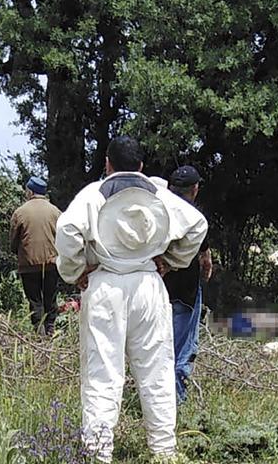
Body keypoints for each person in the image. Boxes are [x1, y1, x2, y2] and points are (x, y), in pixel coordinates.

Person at [55, 136, 208, 462]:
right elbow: (197, 224)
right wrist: (172, 260)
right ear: (141, 165)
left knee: (103, 374)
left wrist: (75, 270)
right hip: (148, 284)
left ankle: (98, 454)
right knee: (157, 372)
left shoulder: (93, 194)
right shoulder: (159, 194)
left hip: (105, 283)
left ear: (107, 163)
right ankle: (164, 451)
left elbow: (67, 229)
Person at [165, 166, 213, 403]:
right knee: (182, 349)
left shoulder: (157, 210)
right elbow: (206, 260)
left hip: (155, 291)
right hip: (184, 293)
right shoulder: (195, 218)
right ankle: (175, 400)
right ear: (195, 189)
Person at [9, 176, 62, 335]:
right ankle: (51, 328)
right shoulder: (55, 211)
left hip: (28, 264)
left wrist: (17, 252)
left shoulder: (20, 212)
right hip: (52, 263)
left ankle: (39, 332)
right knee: (50, 298)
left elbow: (13, 241)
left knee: (35, 301)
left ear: (30, 191)